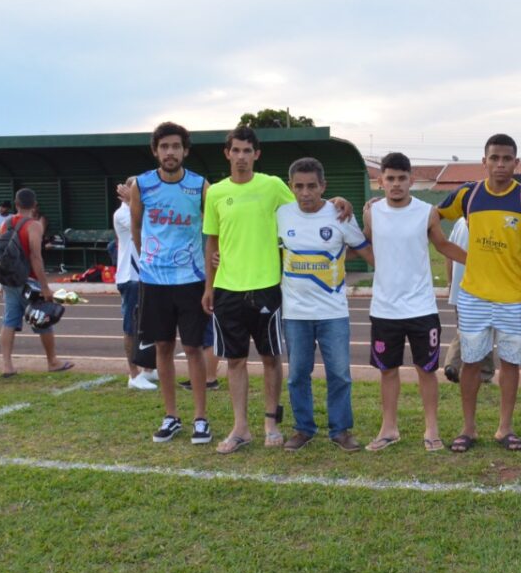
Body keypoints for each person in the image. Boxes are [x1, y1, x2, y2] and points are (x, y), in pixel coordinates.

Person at [438, 134, 521, 453]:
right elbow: (431, 217)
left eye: (507, 158)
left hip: (513, 297)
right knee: (470, 362)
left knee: (511, 363)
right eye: (494, 158)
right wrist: (444, 248)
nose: (500, 164)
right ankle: (468, 429)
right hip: (474, 296)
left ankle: (505, 429)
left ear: (516, 161)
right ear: (484, 161)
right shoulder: (468, 195)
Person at [363, 152, 466, 452]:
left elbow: (443, 245)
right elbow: (367, 246)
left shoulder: (427, 212)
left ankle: (432, 429)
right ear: (380, 181)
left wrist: (476, 263)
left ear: (411, 180)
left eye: (402, 178)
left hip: (421, 307)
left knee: (426, 369)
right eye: (390, 179)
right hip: (384, 308)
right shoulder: (371, 212)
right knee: (387, 370)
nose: (396, 184)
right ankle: (388, 428)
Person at [203, 126, 296, 454]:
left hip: (266, 287)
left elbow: (304, 209)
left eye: (247, 151)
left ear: (256, 154)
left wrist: (337, 203)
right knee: (235, 360)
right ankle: (240, 428)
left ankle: (271, 423)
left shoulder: (272, 186)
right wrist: (209, 285)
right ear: (227, 153)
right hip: (227, 287)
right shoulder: (215, 192)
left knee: (271, 357)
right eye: (235, 150)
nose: (241, 157)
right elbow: (212, 240)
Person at [278, 157, 373, 453]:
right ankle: (303, 429)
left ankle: (340, 430)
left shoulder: (339, 214)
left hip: (333, 312)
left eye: (312, 186)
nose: (305, 193)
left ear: (323, 186)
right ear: (291, 187)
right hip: (295, 313)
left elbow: (366, 251)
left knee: (340, 374)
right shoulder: (281, 214)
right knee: (297, 375)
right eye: (299, 187)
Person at [130, 122, 212, 443]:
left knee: (193, 348)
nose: (170, 152)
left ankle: (201, 419)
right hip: (154, 281)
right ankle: (171, 416)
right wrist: (151, 261)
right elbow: (137, 229)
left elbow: (212, 230)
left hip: (191, 279)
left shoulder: (200, 185)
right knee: (163, 347)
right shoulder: (142, 185)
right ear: (155, 151)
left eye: (176, 146)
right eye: (164, 147)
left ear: (185, 151)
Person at [0, 188, 73, 376]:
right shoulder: (34, 225)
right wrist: (45, 287)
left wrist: (2, 283)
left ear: (16, 204)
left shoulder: (4, 224)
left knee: (8, 321)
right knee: (44, 319)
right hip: (29, 281)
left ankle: (7, 365)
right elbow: (36, 257)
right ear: (34, 205)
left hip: (9, 280)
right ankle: (52, 361)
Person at [112, 177, 157, 391]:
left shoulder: (135, 210)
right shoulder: (122, 214)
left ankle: (148, 368)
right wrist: (132, 202)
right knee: (131, 327)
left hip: (144, 276)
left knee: (149, 324)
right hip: (131, 278)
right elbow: (146, 226)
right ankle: (133, 373)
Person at [442, 216, 495, 385]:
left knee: (465, 327)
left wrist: (450, 283)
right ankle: (476, 370)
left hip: (460, 287)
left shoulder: (458, 222)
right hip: (480, 286)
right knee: (483, 328)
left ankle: (457, 365)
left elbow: (447, 255)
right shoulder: (488, 221)